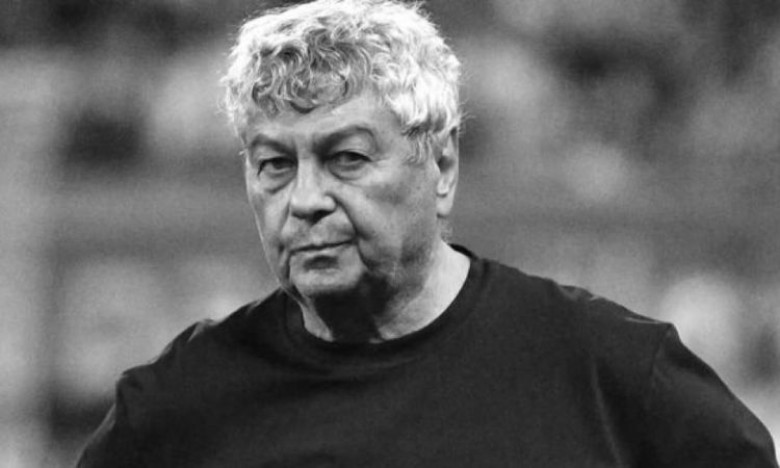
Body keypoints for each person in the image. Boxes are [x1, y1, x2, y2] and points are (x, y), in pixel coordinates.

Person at [77, 0, 779, 466]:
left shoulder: (612, 374)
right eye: (274, 165)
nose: (305, 200)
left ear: (441, 165)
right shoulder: (177, 409)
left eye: (347, 158)